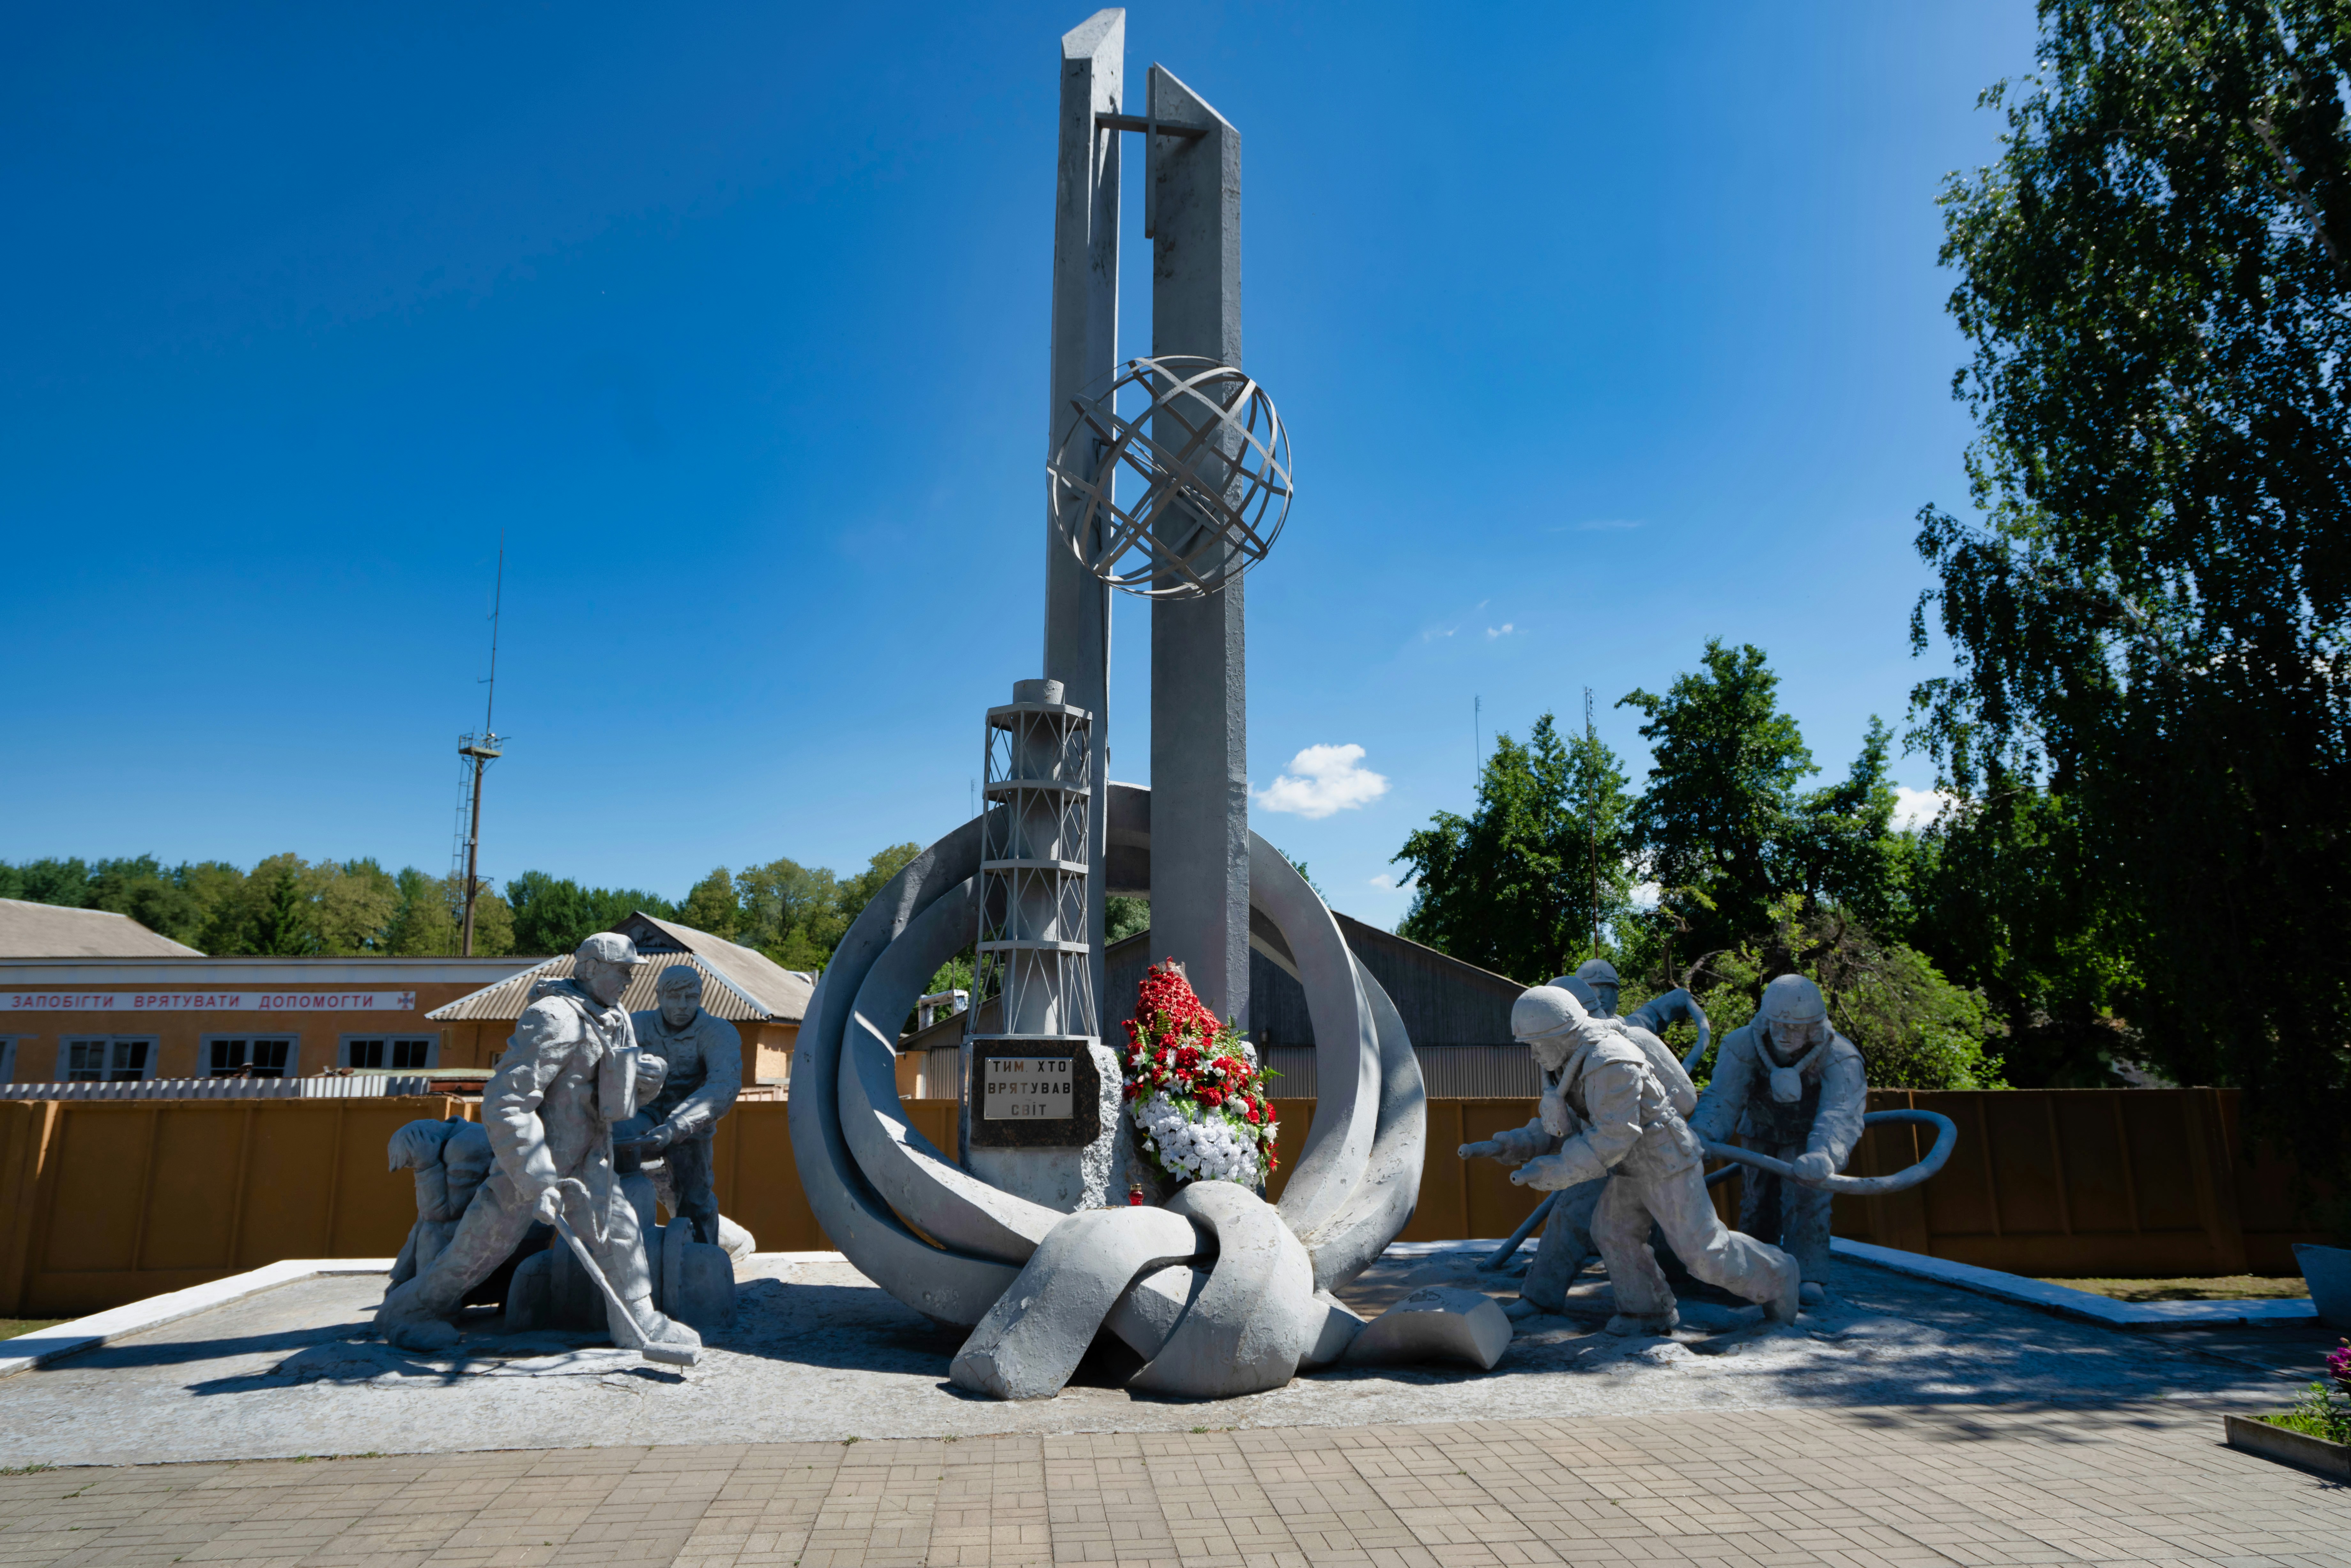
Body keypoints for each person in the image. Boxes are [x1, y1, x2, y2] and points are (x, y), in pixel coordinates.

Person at [374, 932, 699, 1355]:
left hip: (588, 1160)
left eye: (630, 973)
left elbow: (606, 1097)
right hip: (532, 1166)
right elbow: (506, 1102)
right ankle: (408, 1312)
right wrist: (538, 1179)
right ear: (590, 968)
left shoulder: (614, 1016)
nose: (629, 981)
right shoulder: (554, 1017)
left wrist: (646, 1085)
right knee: (481, 1248)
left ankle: (638, 1321)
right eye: (622, 971)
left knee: (620, 1235)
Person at [1472, 985, 1799, 1335]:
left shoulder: (1610, 1059)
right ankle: (1646, 1313)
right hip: (1629, 1167)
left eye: (1537, 1045)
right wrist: (1514, 1145)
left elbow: (1614, 1135)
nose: (1534, 1054)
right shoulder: (1569, 1061)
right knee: (1612, 1232)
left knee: (1704, 1255)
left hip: (1664, 1164)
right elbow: (1566, 1124)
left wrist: (1559, 1171)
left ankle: (1779, 1274)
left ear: (1561, 1034)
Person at [1689, 973, 1865, 1305]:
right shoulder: (1742, 1044)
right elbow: (1722, 1099)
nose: (1784, 1033)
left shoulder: (1840, 1056)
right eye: (1777, 1025)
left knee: (1807, 1199)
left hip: (1808, 1138)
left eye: (1795, 1028)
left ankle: (1809, 1274)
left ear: (1813, 1026)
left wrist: (1824, 1155)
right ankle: (1755, 1272)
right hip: (1758, 1132)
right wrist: (1702, 1136)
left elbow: (1841, 1113)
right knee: (1757, 1200)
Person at [621, 963, 744, 1246]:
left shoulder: (717, 1032)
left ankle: (702, 1262)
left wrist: (678, 1126)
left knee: (696, 1199)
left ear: (700, 996)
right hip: (644, 1114)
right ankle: (626, 1243)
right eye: (674, 997)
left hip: (691, 1127)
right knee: (616, 1153)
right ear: (659, 995)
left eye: (690, 997)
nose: (682, 1006)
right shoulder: (634, 1025)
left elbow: (723, 1086)